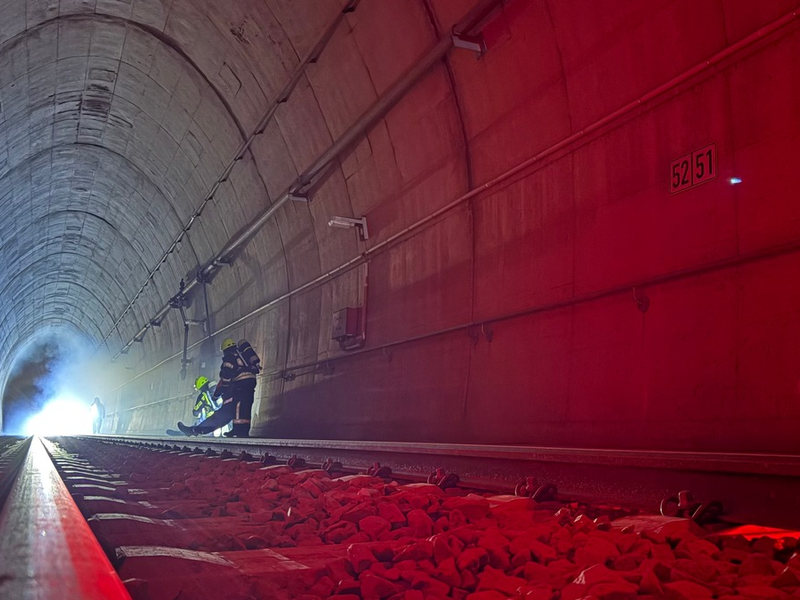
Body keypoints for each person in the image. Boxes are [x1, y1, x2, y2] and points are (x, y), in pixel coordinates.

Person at [177, 338, 260, 438]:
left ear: (225, 350)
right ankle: (239, 431)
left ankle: (195, 430)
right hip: (250, 385)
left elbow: (225, 378)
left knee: (225, 413)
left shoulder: (229, 357)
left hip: (239, 387)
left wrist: (217, 394)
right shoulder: (244, 356)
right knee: (243, 410)